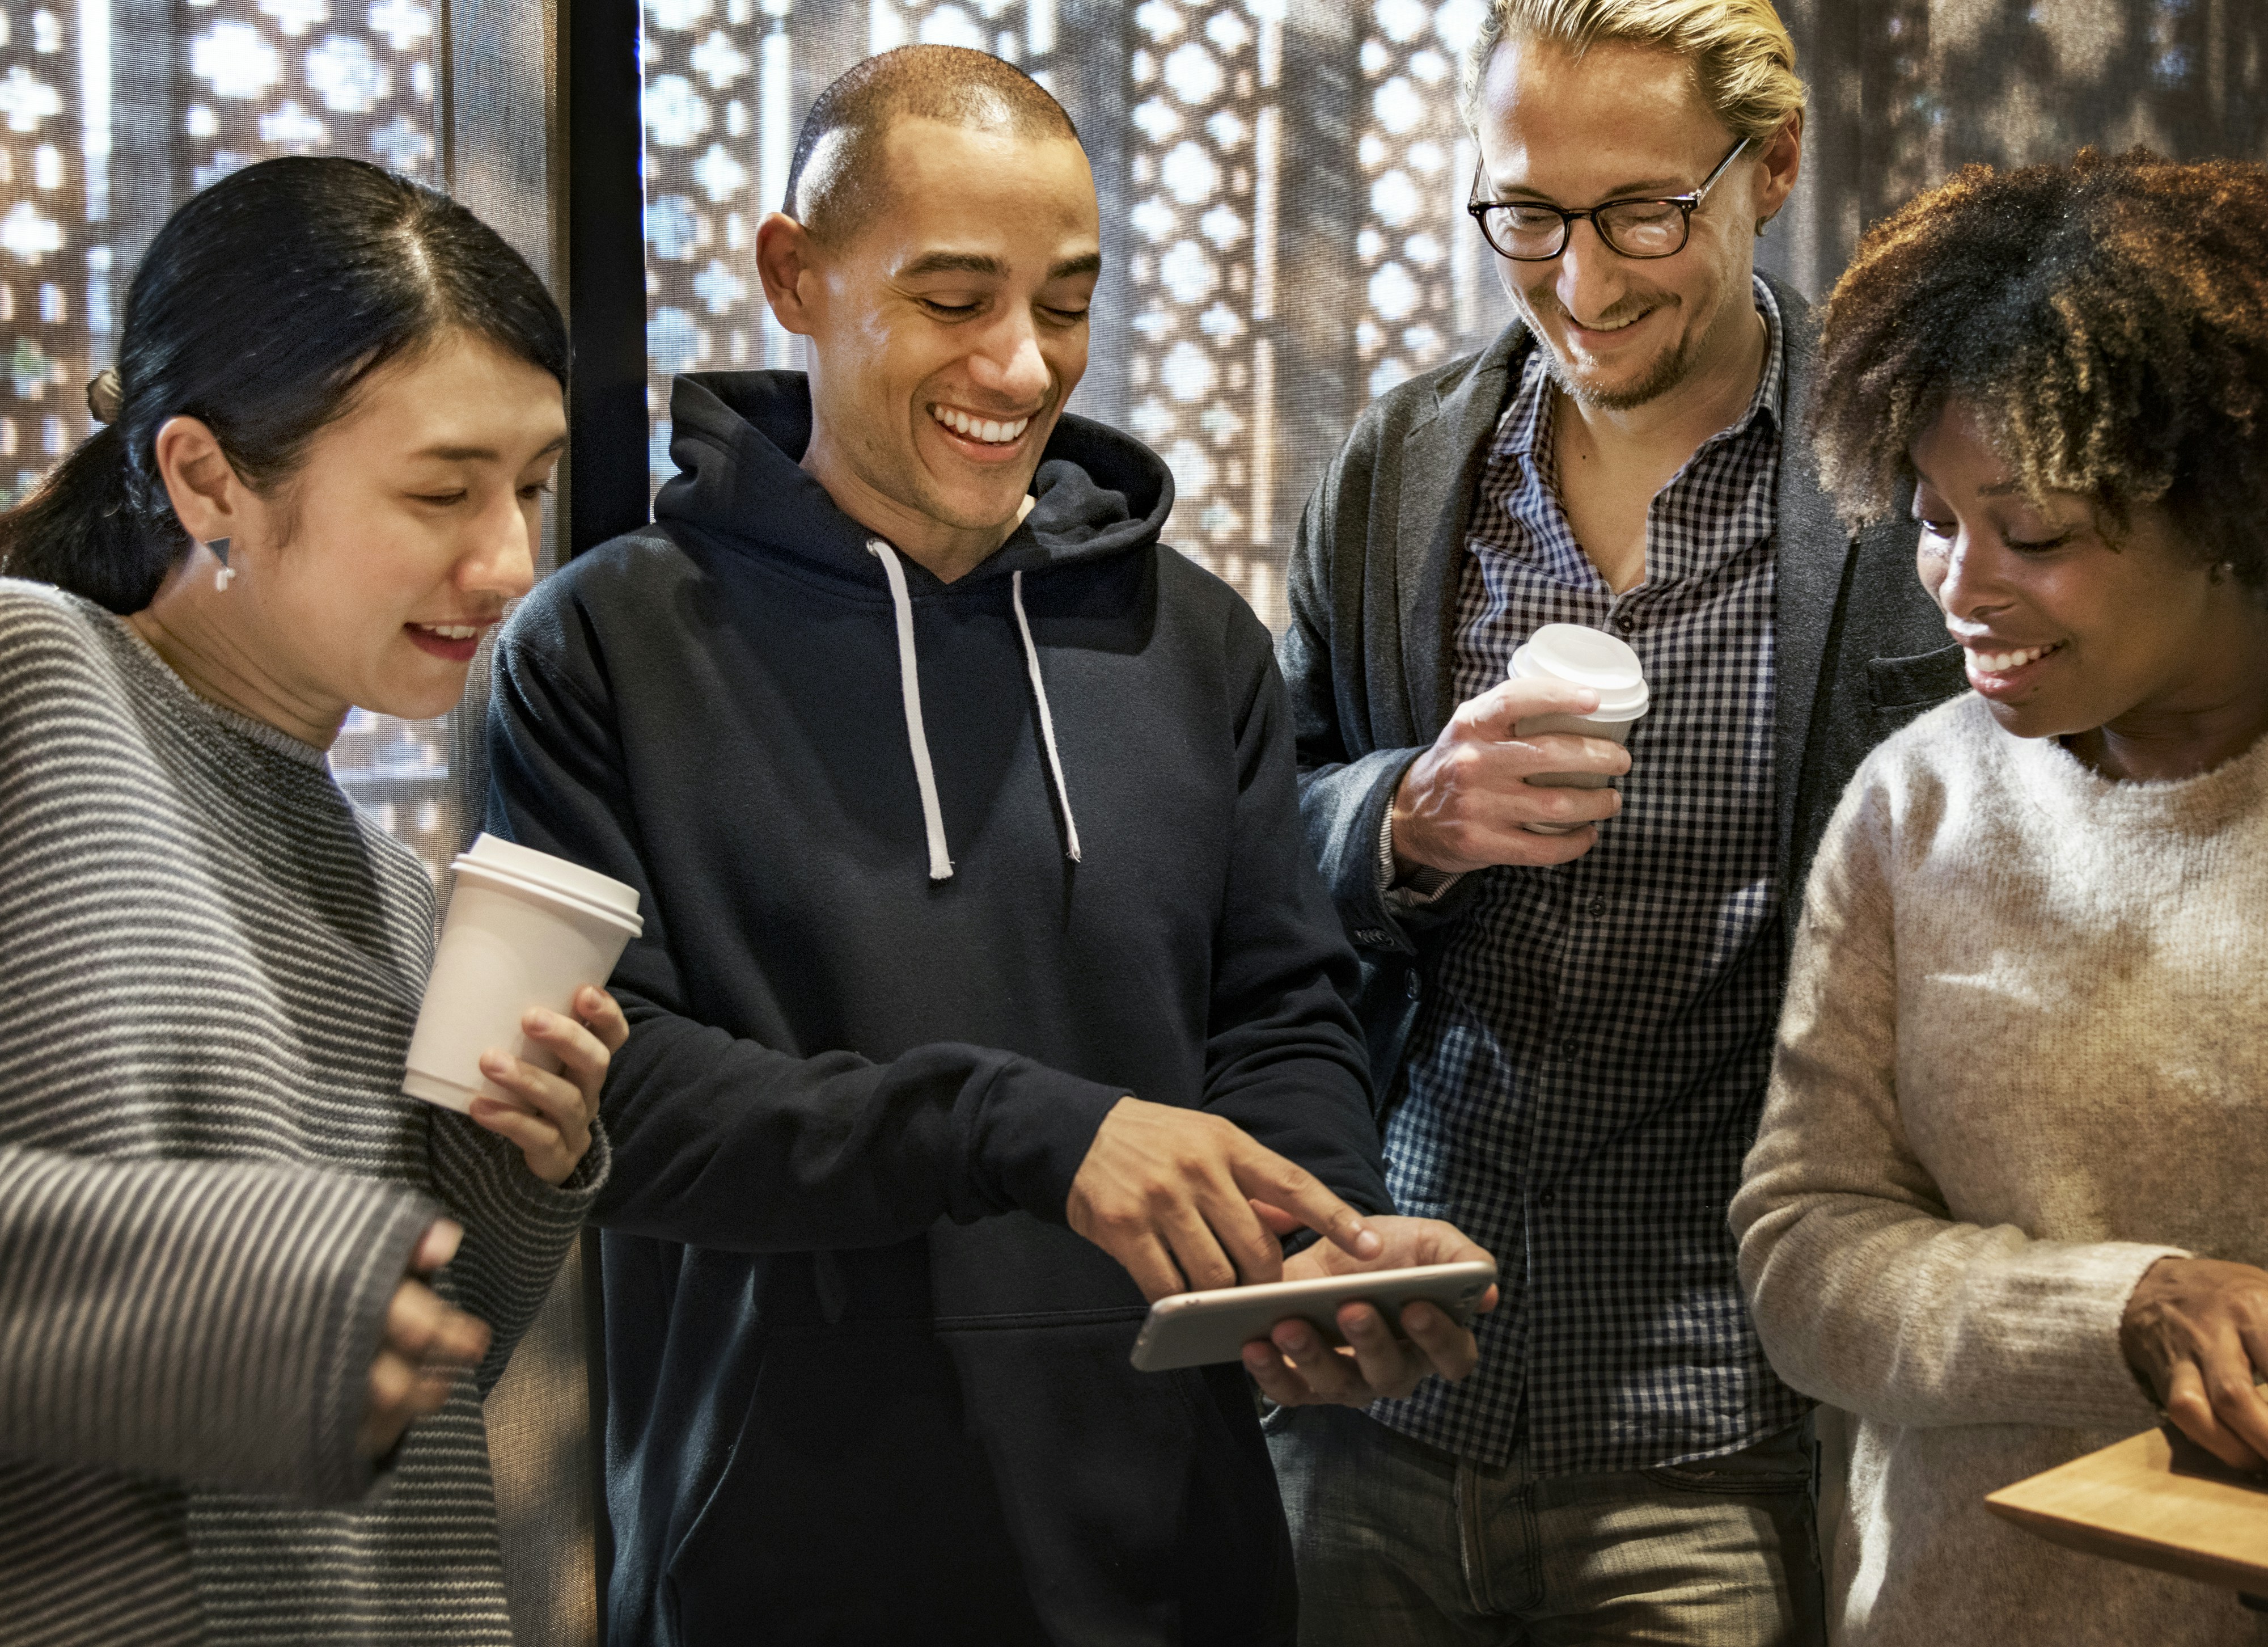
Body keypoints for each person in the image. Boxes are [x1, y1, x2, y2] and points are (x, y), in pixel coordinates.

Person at [484, 44, 1492, 1647]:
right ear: (794, 277)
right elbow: (618, 1101)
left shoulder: (1195, 645)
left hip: (1177, 1565)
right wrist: (1027, 1127)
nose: (1022, 367)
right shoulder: (603, 648)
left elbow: (1276, 1014)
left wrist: (1319, 1244)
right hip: (771, 1578)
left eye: (1066, 304)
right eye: (954, 300)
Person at [1268, 1, 1967, 1640]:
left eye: (1643, 212)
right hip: (1385, 1398)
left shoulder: (1901, 488)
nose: (1581, 280)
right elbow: (1254, 836)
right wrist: (1401, 816)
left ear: (1771, 166)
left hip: (1713, 1428)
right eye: (1528, 214)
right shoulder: (1401, 468)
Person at [0, 157, 625, 1645]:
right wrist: (269, 1292)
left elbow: (403, 1385)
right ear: (206, 479)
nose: (509, 562)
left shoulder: (391, 890)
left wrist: (512, 1174)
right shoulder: (34, 686)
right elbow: (278, 1319)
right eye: (440, 492)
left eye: (532, 487)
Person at [1730, 147, 2268, 1646]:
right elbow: (1803, 1253)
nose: (1959, 586)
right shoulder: (1918, 804)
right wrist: (2123, 1309)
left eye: (2033, 534)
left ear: (2225, 511)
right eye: (1932, 517)